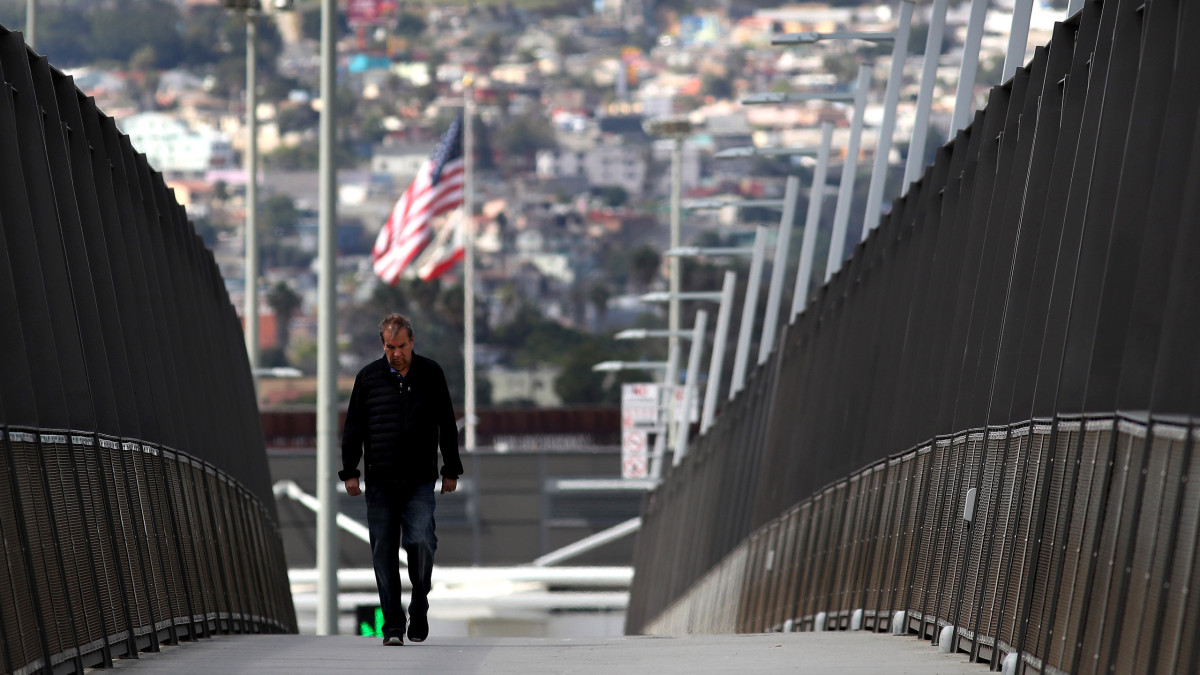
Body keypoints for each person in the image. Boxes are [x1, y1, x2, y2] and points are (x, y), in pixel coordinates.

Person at [339, 313, 463, 646]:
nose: (396, 353)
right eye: (390, 346)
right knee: (383, 552)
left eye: (402, 346)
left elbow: (447, 425)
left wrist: (451, 468)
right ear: (383, 344)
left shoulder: (431, 374)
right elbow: (353, 428)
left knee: (422, 541)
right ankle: (393, 625)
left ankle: (419, 604)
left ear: (412, 342)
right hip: (380, 482)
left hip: (420, 480)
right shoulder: (368, 379)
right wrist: (349, 471)